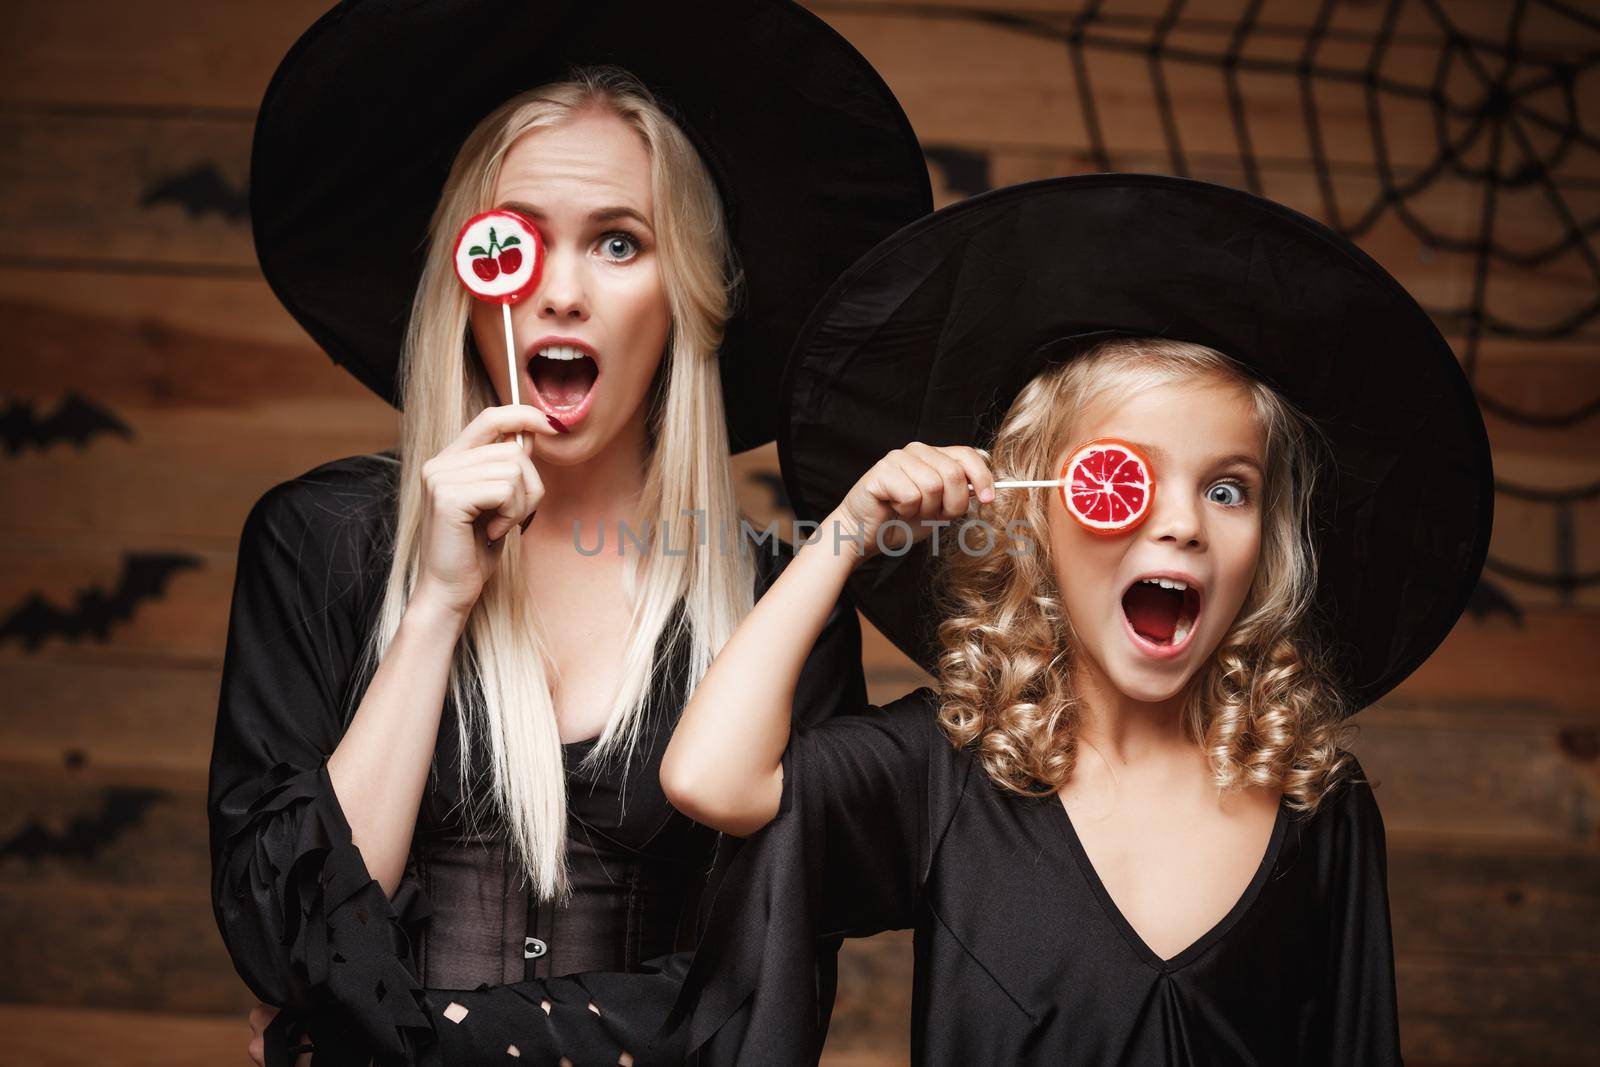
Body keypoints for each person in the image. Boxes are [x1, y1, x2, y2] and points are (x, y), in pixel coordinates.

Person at [209, 2, 932, 1063]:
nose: (557, 290)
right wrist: (439, 606)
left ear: (687, 295)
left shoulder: (777, 604)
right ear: (468, 281)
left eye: (618, 242)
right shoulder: (315, 544)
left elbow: (760, 997)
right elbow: (281, 940)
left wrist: (405, 1036)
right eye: (518, 239)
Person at [661, 175, 1494, 1064]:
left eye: (1226, 489)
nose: (1181, 523)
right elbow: (713, 778)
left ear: (1267, 539)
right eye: (1124, 477)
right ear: (1038, 517)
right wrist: (848, 532)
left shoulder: (1318, 801)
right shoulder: (947, 773)